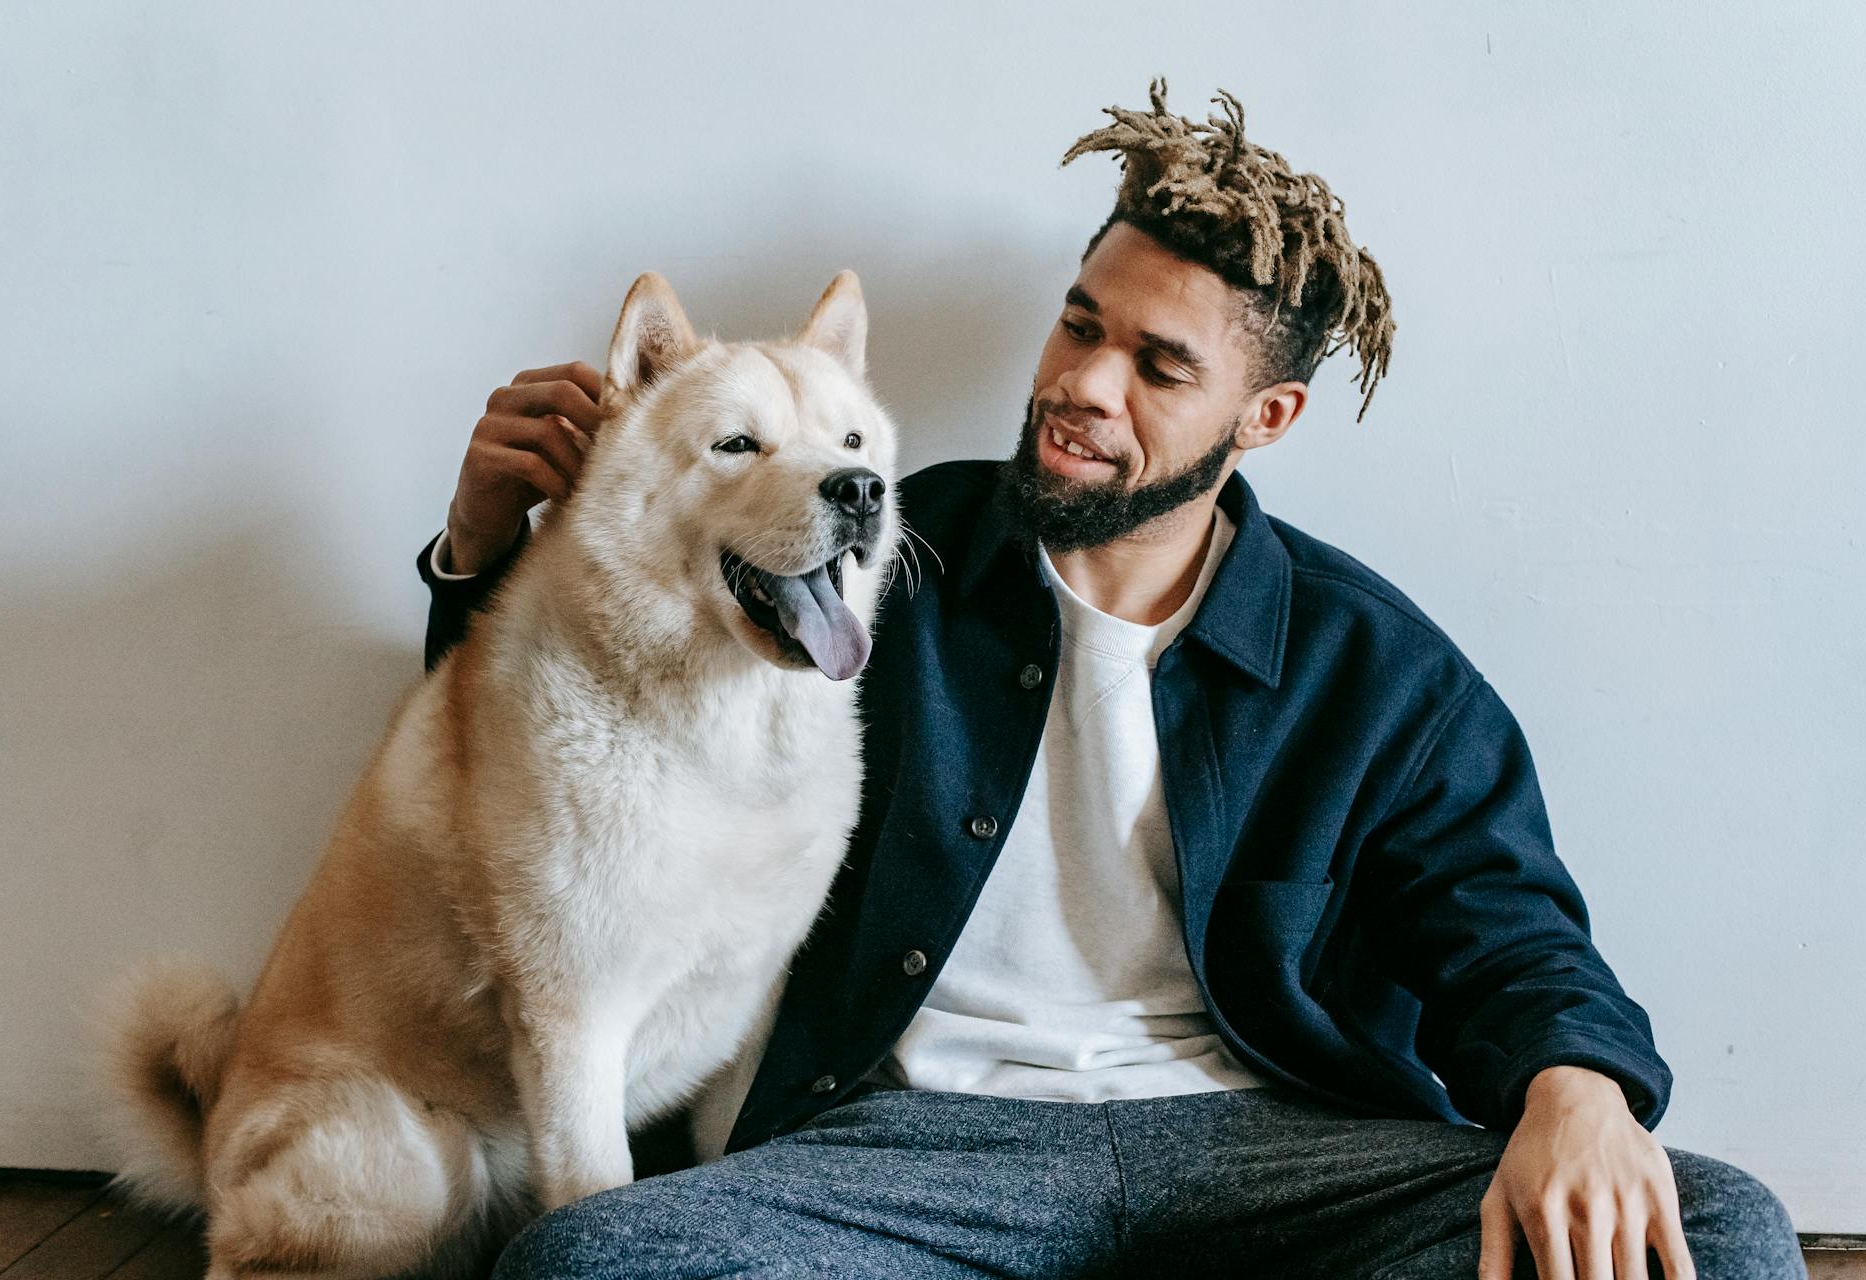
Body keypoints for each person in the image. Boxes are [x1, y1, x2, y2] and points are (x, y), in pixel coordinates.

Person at [417, 81, 1802, 1279]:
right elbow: (574, 730)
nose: (1085, 382)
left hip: (1272, 1152)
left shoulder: (1369, 665)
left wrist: (1579, 1086)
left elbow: (1505, 928)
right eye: (1081, 326)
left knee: (1720, 1230)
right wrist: (480, 550)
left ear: (1264, 419)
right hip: (912, 1152)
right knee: (591, 1261)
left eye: (1157, 366)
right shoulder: (873, 553)